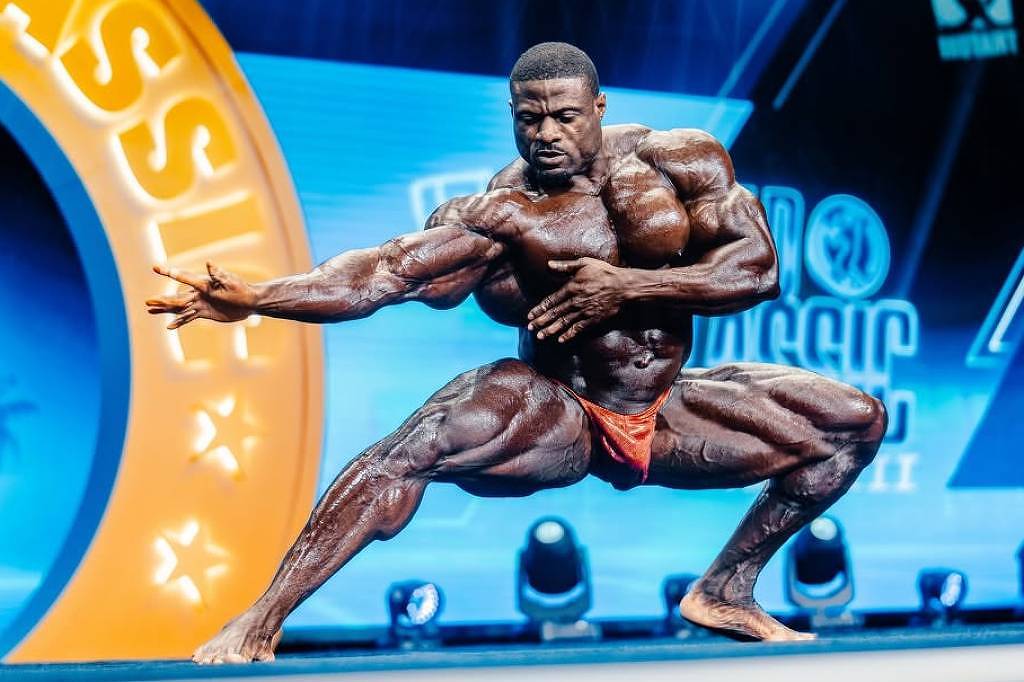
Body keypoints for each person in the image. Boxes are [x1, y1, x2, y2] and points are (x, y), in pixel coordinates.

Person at [147, 42, 887, 663]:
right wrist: (258, 297)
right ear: (511, 117)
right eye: (529, 119)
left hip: (664, 410)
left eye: (564, 116)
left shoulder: (680, 161)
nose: (546, 135)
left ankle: (725, 589)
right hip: (561, 411)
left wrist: (626, 287)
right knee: (412, 448)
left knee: (853, 423)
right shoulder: (504, 211)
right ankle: (262, 620)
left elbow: (757, 270)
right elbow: (382, 274)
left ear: (599, 108)